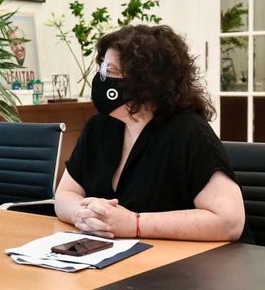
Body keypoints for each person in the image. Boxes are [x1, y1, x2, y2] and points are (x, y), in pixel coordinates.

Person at [54, 24, 246, 241]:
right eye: (102, 70)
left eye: (112, 72)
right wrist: (83, 215)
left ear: (146, 82)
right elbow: (65, 194)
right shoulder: (99, 127)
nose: (102, 79)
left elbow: (229, 221)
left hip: (190, 259)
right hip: (115, 255)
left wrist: (135, 224)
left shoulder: (189, 132)